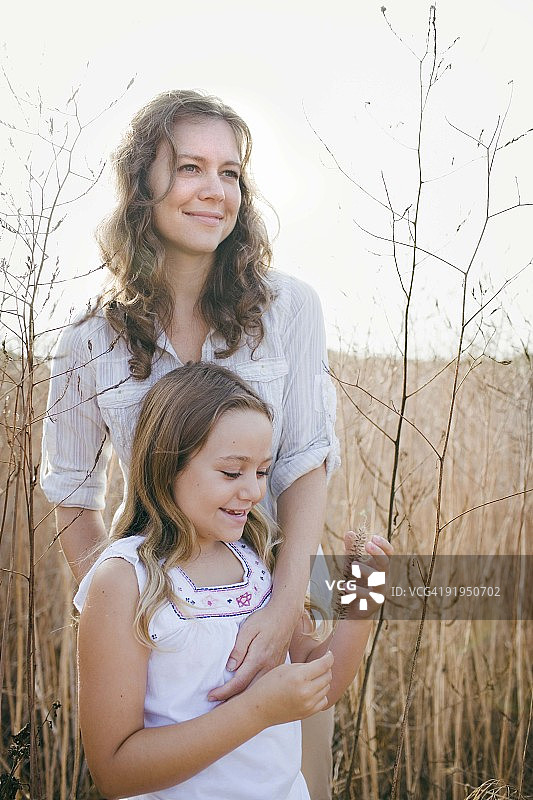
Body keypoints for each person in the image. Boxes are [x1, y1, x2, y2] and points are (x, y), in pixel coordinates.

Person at [41, 89, 340, 797]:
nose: (214, 191)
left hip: (281, 580)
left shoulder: (289, 306)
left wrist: (287, 599)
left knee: (294, 777)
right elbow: (69, 493)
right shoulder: (88, 338)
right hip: (161, 597)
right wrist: (130, 618)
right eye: (189, 168)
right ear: (142, 184)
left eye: (230, 172)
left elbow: (304, 458)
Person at [74, 362, 393, 800]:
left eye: (262, 472)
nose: (254, 491)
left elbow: (319, 683)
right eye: (232, 472)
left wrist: (363, 601)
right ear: (168, 465)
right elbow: (114, 771)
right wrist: (256, 711)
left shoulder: (262, 560)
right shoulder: (126, 579)